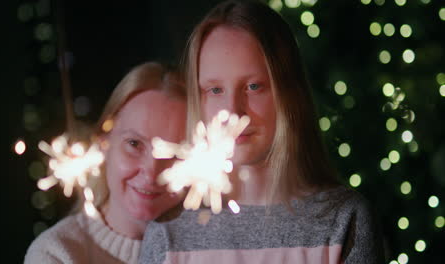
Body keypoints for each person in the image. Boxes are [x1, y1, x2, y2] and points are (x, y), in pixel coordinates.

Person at [140, 1, 384, 264]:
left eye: (254, 86)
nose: (233, 112)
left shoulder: (342, 220)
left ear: (288, 94)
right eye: (215, 90)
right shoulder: (168, 233)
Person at [25, 62, 187, 264]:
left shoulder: (211, 248)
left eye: (174, 153)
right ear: (103, 142)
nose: (152, 172)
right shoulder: (56, 253)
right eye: (134, 144)